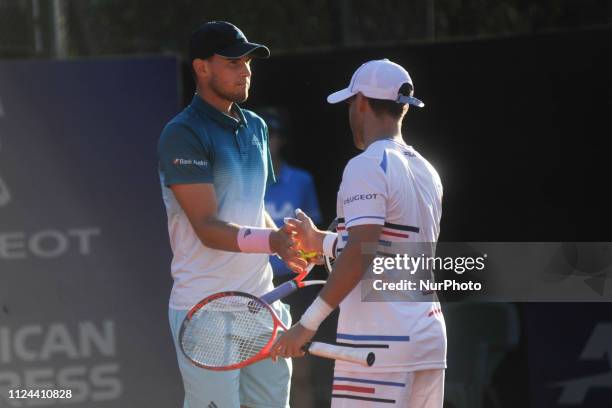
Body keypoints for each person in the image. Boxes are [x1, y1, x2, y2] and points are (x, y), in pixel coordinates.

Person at [272, 59, 447, 407]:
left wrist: (307, 324)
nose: (351, 112)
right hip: (428, 338)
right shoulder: (427, 169)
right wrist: (320, 241)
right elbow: (392, 251)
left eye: (351, 103)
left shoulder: (366, 165)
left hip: (381, 343)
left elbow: (362, 253)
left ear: (363, 102)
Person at [157, 21, 306, 408]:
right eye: (233, 62)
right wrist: (270, 242)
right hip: (205, 312)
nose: (245, 70)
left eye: (248, 61)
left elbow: (254, 210)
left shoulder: (256, 127)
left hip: (263, 303)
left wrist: (286, 242)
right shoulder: (182, 133)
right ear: (202, 68)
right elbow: (207, 228)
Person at [259, 107, 323, 277]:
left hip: (294, 275)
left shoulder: (302, 180)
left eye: (271, 133)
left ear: (282, 139)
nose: (265, 140)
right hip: (255, 279)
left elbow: (314, 232)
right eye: (259, 135)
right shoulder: (241, 181)